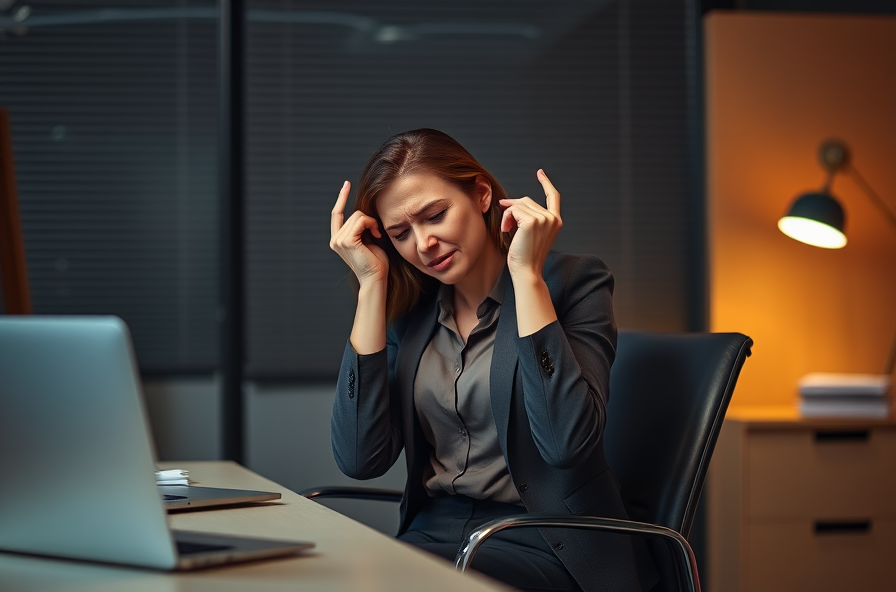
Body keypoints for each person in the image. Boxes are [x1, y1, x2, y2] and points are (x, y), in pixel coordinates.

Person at [328, 129, 656, 592]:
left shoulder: (576, 283)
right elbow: (360, 458)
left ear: (482, 195)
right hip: (433, 533)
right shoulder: (413, 314)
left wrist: (526, 277)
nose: (423, 244)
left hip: (544, 539)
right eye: (401, 233)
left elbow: (566, 444)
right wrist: (371, 288)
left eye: (435, 215)